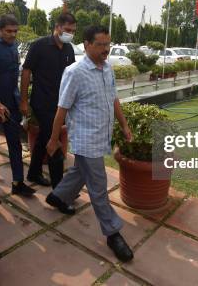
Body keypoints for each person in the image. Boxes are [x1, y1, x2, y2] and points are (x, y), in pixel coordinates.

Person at [45, 25, 134, 262]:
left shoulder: (108, 69)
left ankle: (58, 196)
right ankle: (112, 233)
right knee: (98, 186)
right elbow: (61, 109)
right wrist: (54, 139)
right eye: (101, 45)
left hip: (101, 134)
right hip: (85, 138)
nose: (106, 49)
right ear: (86, 44)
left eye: (108, 44)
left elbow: (114, 98)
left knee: (81, 172)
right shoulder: (74, 72)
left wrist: (124, 125)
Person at [0, 15, 36, 197]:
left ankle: (18, 181)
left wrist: (21, 99)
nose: (13, 35)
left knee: (15, 143)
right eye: (8, 31)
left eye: (15, 31)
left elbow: (14, 74)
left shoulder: (13, 45)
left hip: (11, 102)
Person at [21, 12, 77, 189]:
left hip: (60, 104)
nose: (70, 33)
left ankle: (34, 173)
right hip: (41, 102)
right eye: (67, 29)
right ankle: (60, 190)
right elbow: (26, 72)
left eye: (73, 31)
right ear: (57, 27)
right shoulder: (39, 46)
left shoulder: (68, 49)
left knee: (44, 137)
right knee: (54, 142)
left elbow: (72, 76)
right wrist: (23, 100)